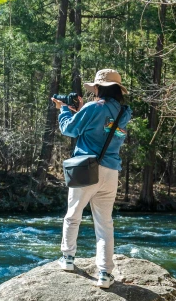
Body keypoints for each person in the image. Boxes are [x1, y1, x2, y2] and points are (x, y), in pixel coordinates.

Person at [52, 68, 132, 288]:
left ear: (99, 88)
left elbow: (69, 129)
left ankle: (68, 259)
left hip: (87, 168)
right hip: (111, 171)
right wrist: (80, 111)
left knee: (73, 214)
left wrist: (64, 111)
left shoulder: (92, 107)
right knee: (105, 223)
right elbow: (105, 128)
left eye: (94, 88)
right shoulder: (124, 112)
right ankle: (105, 274)